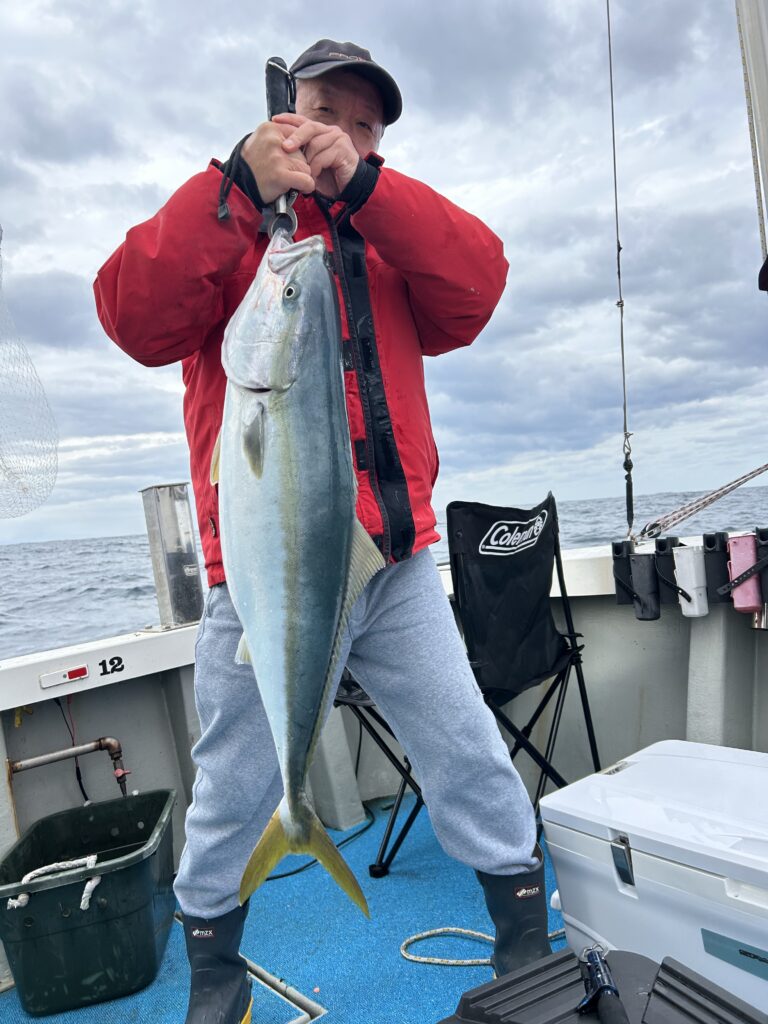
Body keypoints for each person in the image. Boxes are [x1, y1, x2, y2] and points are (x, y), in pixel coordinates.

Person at [94, 38, 550, 1024]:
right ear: (282, 116)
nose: (342, 133)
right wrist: (233, 189)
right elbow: (132, 318)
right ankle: (216, 972)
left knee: (466, 747)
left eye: (365, 123)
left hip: (392, 564)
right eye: (324, 112)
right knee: (233, 782)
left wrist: (371, 190)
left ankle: (523, 937)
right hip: (263, 575)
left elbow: (476, 288)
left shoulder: (390, 234)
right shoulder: (237, 234)